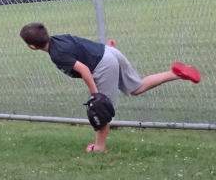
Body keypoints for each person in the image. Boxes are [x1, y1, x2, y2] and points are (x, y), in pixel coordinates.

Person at [19, 23, 202, 152]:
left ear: (33, 47)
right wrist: (107, 48)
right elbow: (83, 47)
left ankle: (99, 148)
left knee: (101, 109)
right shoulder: (60, 38)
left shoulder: (56, 54)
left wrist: (95, 96)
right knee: (137, 88)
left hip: (103, 64)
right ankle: (175, 74)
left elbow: (83, 69)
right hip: (109, 52)